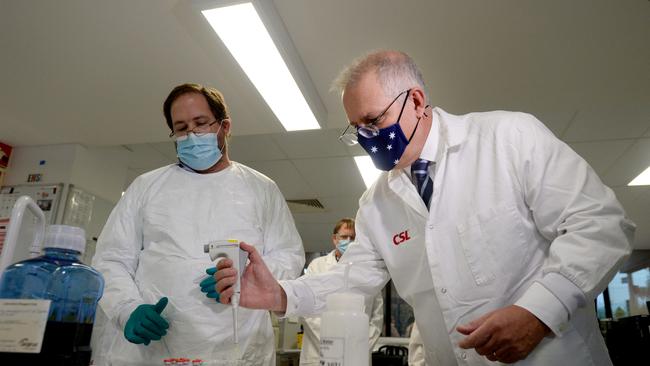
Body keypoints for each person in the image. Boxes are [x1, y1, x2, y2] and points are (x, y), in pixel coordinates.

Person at [211, 51, 635, 365]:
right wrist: (281, 294)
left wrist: (539, 312)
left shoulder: (508, 138)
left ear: (415, 101)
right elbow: (348, 279)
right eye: (356, 129)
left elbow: (600, 225)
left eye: (374, 122)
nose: (366, 137)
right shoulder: (376, 202)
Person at [91, 83, 305, 365]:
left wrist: (244, 277)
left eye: (201, 124)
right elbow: (111, 258)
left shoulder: (261, 189)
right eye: (181, 128)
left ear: (224, 126)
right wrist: (127, 309)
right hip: (153, 349)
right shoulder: (146, 187)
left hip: (237, 348)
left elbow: (288, 256)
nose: (191, 135)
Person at [298, 218, 384, 366]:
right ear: (334, 239)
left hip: (357, 355)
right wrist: (334, 342)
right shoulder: (317, 267)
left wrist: (359, 345)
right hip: (319, 352)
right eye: (344, 237)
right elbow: (307, 310)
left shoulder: (368, 271)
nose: (349, 241)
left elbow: (377, 317)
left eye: (353, 238)